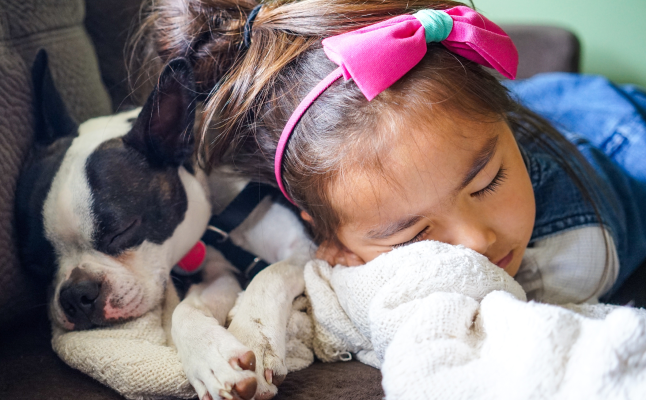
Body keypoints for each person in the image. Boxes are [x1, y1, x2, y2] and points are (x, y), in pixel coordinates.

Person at [143, 0, 646, 305]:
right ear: (329, 238)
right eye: (413, 233)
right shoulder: (312, 198)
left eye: (488, 181)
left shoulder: (579, 253)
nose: (477, 240)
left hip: (614, 128)